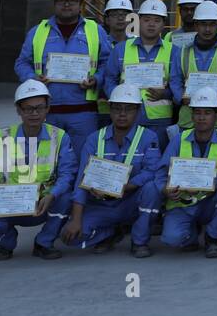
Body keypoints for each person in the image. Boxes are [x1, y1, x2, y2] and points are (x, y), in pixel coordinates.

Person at [0, 80, 77, 260]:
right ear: (18, 110)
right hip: (7, 206)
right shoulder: (1, 137)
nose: (34, 113)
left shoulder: (59, 137)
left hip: (43, 204)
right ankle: (7, 242)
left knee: (66, 198)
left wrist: (52, 194)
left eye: (39, 108)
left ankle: (44, 243)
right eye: (28, 109)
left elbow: (68, 173)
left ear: (47, 108)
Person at [60, 83, 162, 256]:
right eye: (117, 109)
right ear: (109, 110)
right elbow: (81, 180)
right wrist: (76, 219)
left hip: (131, 201)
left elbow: (152, 171)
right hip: (102, 204)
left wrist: (127, 186)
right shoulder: (94, 139)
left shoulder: (148, 137)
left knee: (152, 188)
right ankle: (110, 233)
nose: (122, 114)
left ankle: (139, 241)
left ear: (138, 111)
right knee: (71, 238)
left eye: (129, 109)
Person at [15, 0, 111, 148]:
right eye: (62, 0)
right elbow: (21, 63)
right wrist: (32, 78)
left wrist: (96, 79)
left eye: (72, 0)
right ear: (54, 3)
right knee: (47, 161)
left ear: (81, 3)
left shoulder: (96, 31)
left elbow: (107, 63)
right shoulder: (37, 32)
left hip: (84, 111)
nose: (67, 4)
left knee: (83, 159)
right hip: (47, 112)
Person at [156, 88, 217, 258]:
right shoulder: (179, 139)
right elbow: (162, 171)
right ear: (191, 116)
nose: (201, 117)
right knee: (172, 239)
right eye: (197, 112)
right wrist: (165, 189)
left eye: (207, 113)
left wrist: (208, 184)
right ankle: (190, 236)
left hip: (211, 200)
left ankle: (212, 237)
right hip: (183, 202)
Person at [102, 0, 175, 149]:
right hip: (127, 118)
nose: (151, 24)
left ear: (163, 24)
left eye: (157, 20)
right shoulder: (121, 49)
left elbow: (178, 84)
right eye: (147, 19)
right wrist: (118, 98)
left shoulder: (174, 51)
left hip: (159, 120)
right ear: (138, 21)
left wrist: (165, 94)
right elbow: (109, 80)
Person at [168, 0, 217, 138]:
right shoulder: (182, 51)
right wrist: (182, 97)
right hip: (188, 120)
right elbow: (175, 80)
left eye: (212, 24)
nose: (207, 29)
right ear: (196, 25)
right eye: (203, 24)